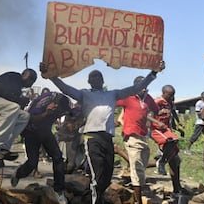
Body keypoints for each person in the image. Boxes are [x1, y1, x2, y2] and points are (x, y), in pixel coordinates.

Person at [41, 61, 165, 204]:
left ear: (102, 81)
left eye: (98, 77)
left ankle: (92, 196)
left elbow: (136, 88)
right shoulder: (84, 94)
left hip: (107, 138)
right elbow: (66, 88)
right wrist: (51, 76)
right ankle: (96, 200)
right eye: (93, 78)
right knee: (97, 174)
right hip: (92, 137)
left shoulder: (112, 94)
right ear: (89, 82)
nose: (96, 80)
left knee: (106, 175)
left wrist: (153, 73)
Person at [11, 91, 72, 204]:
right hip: (31, 131)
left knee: (58, 157)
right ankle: (19, 173)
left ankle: (58, 190)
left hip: (45, 131)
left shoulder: (63, 104)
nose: (59, 113)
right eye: (58, 111)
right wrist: (46, 113)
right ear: (54, 104)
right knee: (32, 162)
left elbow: (72, 113)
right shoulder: (42, 102)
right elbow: (32, 119)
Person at [115, 76, 159, 204]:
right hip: (131, 135)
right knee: (137, 170)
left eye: (146, 88)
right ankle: (138, 201)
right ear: (136, 87)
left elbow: (155, 110)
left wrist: (150, 117)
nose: (144, 90)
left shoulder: (148, 98)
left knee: (141, 166)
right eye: (142, 87)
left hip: (143, 136)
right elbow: (112, 102)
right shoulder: (128, 97)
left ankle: (137, 191)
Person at [150, 84, 184, 196]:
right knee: (172, 140)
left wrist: (177, 126)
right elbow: (147, 115)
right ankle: (162, 161)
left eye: (173, 95)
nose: (172, 97)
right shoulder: (157, 102)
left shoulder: (170, 103)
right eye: (170, 95)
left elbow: (172, 115)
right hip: (157, 130)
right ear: (164, 93)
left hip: (166, 130)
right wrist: (158, 123)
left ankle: (177, 188)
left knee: (175, 162)